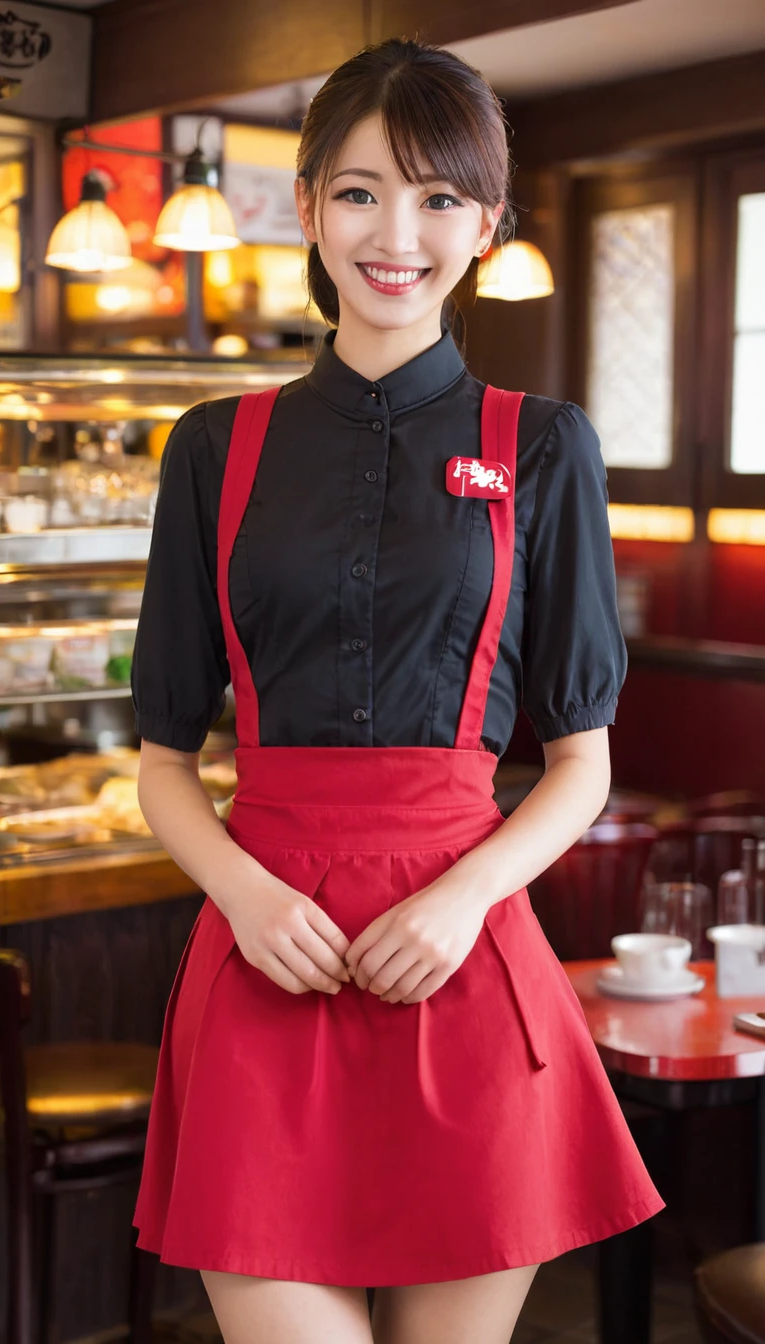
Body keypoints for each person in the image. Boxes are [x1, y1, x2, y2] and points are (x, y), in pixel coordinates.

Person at [130, 37, 664, 1344]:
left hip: (465, 959)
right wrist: (247, 891)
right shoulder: (216, 446)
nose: (397, 233)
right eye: (362, 191)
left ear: (484, 225)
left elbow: (580, 759)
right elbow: (161, 760)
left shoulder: (542, 446)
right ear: (306, 208)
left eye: (437, 198)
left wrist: (465, 894)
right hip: (267, 964)